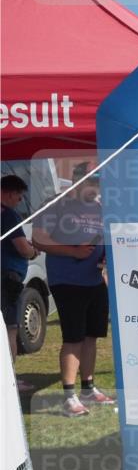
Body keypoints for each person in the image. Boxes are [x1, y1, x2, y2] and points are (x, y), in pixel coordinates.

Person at [32, 167, 114, 417]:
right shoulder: (56, 203)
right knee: (73, 338)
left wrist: (106, 259)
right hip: (68, 282)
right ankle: (69, 397)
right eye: (94, 183)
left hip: (94, 281)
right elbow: (38, 238)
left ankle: (88, 387)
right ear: (79, 182)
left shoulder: (99, 207)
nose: (98, 189)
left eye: (100, 184)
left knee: (91, 336)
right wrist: (73, 251)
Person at [1, 175, 39, 389]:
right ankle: (9, 379)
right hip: (7, 279)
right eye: (19, 197)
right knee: (10, 329)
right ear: (9, 193)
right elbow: (22, 248)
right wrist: (33, 252)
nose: (19, 201)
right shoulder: (9, 216)